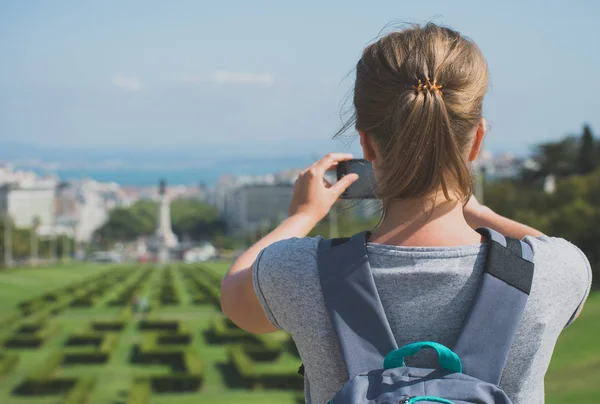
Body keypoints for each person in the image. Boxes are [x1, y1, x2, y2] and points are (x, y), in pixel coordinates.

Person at [220, 23, 592, 404]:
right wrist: (477, 210)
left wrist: (302, 215)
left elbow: (235, 296)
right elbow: (549, 254)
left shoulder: (297, 270)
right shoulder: (554, 273)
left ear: (366, 143)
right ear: (477, 139)